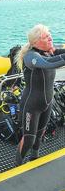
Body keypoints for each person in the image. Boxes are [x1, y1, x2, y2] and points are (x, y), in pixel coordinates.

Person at [15, 24, 65, 166]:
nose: (50, 38)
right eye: (46, 36)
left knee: (40, 135)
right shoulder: (31, 56)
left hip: (47, 103)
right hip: (32, 104)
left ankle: (34, 159)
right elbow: (48, 63)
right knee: (29, 138)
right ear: (36, 42)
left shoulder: (49, 51)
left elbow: (59, 55)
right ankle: (18, 165)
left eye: (50, 34)